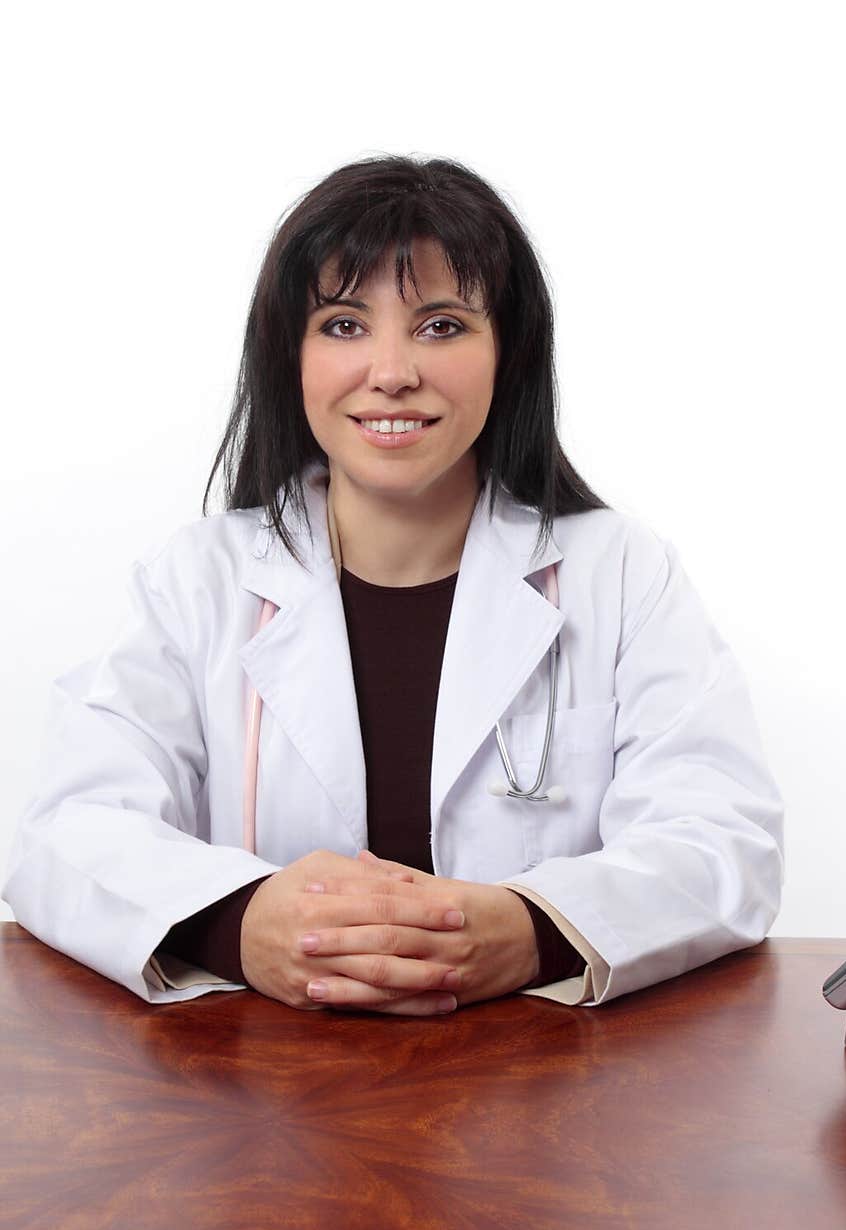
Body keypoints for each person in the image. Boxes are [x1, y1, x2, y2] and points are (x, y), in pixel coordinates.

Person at [3, 154, 785, 1017]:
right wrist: (244, 922)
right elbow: (65, 836)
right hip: (261, 1104)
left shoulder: (620, 573)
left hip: (542, 1099)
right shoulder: (199, 581)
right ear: (288, 356)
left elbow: (723, 841)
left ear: (509, 354)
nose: (391, 371)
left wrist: (529, 930)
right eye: (342, 325)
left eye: (441, 326)